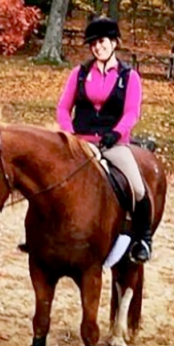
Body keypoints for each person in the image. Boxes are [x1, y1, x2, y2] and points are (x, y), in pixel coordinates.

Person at [55, 16, 153, 262]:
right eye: (93, 44)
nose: (98, 47)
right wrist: (70, 134)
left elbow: (132, 112)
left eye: (102, 42)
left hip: (113, 144)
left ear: (114, 42)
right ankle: (44, 234)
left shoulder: (129, 77)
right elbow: (63, 108)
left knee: (138, 188)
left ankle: (143, 239)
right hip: (80, 142)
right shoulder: (79, 73)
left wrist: (116, 133)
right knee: (50, 179)